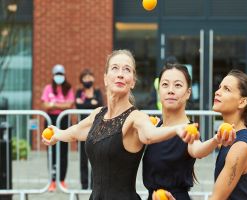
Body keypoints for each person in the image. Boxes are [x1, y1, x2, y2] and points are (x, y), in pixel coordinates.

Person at [42, 50, 197, 200]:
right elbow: (76, 132)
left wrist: (177, 129)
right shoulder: (97, 114)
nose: (120, 74)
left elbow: (149, 135)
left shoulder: (136, 117)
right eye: (115, 68)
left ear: (133, 82)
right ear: (105, 78)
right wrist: (57, 134)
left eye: (127, 69)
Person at [143, 63, 235, 200]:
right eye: (165, 85)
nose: (170, 90)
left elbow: (198, 150)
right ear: (158, 91)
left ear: (188, 93)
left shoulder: (189, 130)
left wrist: (216, 139)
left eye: (178, 85)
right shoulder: (154, 128)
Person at [210, 69, 247, 199]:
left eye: (226, 89)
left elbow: (216, 198)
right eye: (219, 87)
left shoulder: (240, 146)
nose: (217, 92)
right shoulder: (232, 137)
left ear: (242, 102)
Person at [41, 64, 75, 192]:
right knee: (52, 152)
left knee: (63, 151)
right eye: (57, 74)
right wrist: (61, 105)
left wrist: (54, 104)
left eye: (61, 74)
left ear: (64, 75)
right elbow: (45, 105)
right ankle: (52, 181)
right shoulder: (48, 88)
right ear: (53, 75)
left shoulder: (68, 88)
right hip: (51, 121)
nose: (59, 76)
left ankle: (62, 180)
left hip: (64, 121)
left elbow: (70, 104)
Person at [75, 68, 104, 189]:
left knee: (95, 157)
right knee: (83, 157)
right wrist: (91, 103)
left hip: (96, 128)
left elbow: (100, 104)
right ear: (81, 80)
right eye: (85, 78)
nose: (88, 80)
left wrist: (89, 103)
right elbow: (78, 105)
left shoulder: (97, 92)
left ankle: (94, 185)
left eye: (89, 77)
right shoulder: (79, 92)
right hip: (82, 128)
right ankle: (84, 184)